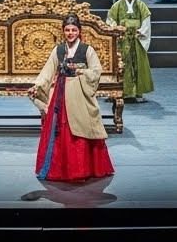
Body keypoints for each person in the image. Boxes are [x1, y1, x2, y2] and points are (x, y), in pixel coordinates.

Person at [28, 14, 115, 182]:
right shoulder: (58, 50)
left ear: (79, 31)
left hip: (79, 94)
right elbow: (47, 71)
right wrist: (37, 86)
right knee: (59, 130)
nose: (70, 33)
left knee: (81, 128)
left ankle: (81, 169)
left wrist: (80, 71)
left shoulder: (87, 50)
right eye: (67, 30)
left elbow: (96, 72)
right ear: (63, 31)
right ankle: (60, 170)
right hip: (60, 95)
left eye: (74, 30)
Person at [105, 0, 153, 102]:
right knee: (121, 65)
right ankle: (119, 91)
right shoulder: (117, 5)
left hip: (136, 39)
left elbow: (146, 21)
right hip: (122, 40)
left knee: (137, 65)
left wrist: (140, 32)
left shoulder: (141, 6)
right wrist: (117, 30)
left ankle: (137, 92)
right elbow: (110, 20)